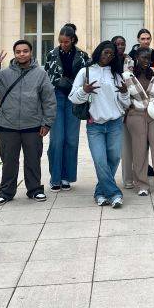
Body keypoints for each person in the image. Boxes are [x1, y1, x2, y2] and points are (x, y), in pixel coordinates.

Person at [0, 40, 56, 205]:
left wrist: (47, 123)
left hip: (33, 125)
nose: (22, 54)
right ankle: (5, 192)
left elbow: (49, 100)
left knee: (33, 159)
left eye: (25, 51)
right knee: (8, 160)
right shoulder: (3, 74)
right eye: (18, 51)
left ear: (31, 52)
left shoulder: (41, 74)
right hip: (8, 125)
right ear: (14, 54)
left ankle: (35, 190)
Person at [69, 41, 129, 208]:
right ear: (98, 52)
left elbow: (125, 102)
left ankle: (99, 193)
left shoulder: (117, 75)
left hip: (115, 124)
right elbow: (73, 97)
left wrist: (125, 93)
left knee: (114, 158)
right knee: (100, 160)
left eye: (111, 54)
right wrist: (84, 90)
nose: (107, 56)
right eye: (105, 52)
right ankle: (114, 194)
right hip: (95, 125)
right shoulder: (85, 71)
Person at [44, 24, 89, 191]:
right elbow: (47, 77)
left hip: (75, 98)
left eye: (66, 41)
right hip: (56, 97)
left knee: (71, 139)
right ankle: (55, 177)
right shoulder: (51, 54)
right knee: (57, 139)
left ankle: (66, 177)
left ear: (72, 40)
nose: (63, 44)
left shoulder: (83, 56)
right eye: (61, 41)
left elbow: (87, 77)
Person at [123, 48, 154, 196]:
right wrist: (126, 108)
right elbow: (121, 98)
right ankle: (142, 185)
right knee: (139, 150)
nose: (146, 61)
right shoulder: (127, 76)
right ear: (137, 57)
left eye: (149, 58)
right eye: (143, 57)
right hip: (136, 115)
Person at [112, 35, 135, 189]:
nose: (120, 46)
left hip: (128, 105)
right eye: (117, 44)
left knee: (128, 146)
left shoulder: (130, 61)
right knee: (114, 147)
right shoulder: (107, 60)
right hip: (112, 106)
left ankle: (128, 179)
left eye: (123, 44)